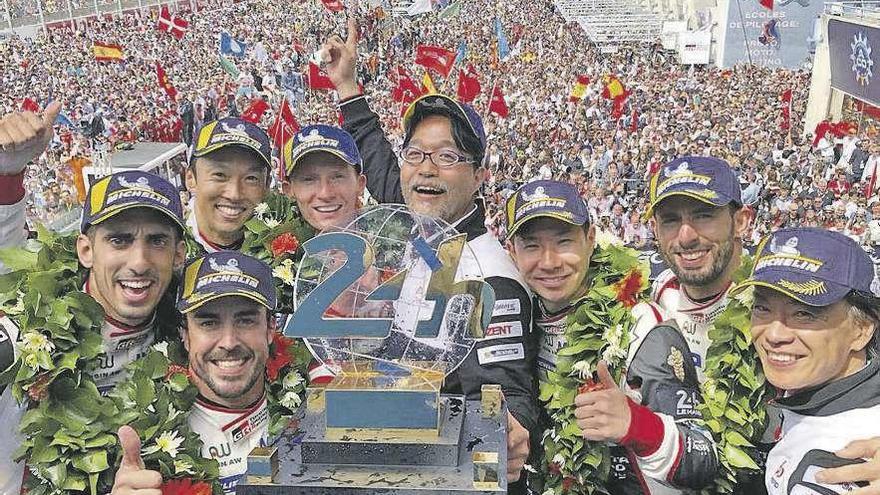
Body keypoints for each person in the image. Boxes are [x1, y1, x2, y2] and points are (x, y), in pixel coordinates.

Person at [323, 17, 537, 487]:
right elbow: (384, 172)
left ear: (480, 175)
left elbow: (507, 398)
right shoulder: (427, 227)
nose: (426, 169)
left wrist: (515, 430)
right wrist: (348, 89)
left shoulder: (488, 278)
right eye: (416, 154)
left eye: (447, 156)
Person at [0, 104, 187, 494]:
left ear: (179, 255)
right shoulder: (26, 330)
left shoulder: (195, 327)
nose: (138, 262)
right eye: (118, 240)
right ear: (85, 250)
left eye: (157, 241)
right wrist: (7, 176)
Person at [505, 180, 717, 493]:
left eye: (564, 241)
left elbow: (704, 459)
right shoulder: (520, 319)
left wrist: (637, 425)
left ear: (590, 239)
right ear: (511, 251)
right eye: (532, 246)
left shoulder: (640, 325)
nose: (548, 262)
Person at [111, 251, 280, 495]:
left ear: (270, 328)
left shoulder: (310, 406)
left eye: (245, 320)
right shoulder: (141, 438)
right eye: (208, 323)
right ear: (185, 335)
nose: (229, 342)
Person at [730, 228, 880, 494]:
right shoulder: (817, 390)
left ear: (862, 330)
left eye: (804, 313)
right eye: (762, 308)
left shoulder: (844, 461)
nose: (774, 334)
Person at [185, 117, 274, 253]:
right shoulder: (166, 245)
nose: (234, 194)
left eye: (251, 178)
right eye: (220, 175)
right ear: (190, 179)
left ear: (267, 185)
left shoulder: (289, 243)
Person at [280, 123, 366, 231]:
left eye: (337, 177)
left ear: (360, 184)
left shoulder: (389, 240)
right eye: (309, 180)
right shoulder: (269, 245)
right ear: (288, 190)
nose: (325, 194)